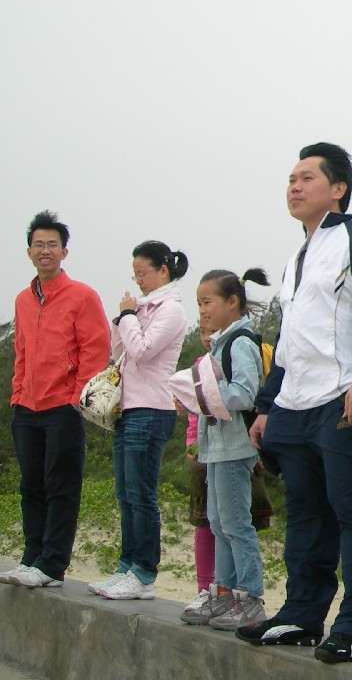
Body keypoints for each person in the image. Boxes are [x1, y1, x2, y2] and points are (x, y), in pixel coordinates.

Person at [236, 142, 352, 665]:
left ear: (338, 189)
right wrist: (266, 406)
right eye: (291, 178)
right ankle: (301, 614)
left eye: (306, 177)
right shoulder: (296, 259)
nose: (294, 186)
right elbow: (289, 339)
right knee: (306, 516)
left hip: (342, 400)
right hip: (293, 405)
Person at [2, 210, 110, 589]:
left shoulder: (82, 296)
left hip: (62, 407)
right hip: (26, 407)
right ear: (29, 252)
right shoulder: (23, 299)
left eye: (52, 244)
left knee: (60, 486)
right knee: (30, 486)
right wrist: (18, 393)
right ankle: (32, 557)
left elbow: (95, 350)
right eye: (38, 244)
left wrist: (75, 399)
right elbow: (21, 351)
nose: (45, 250)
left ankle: (51, 565)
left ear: (64, 252)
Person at [92, 240, 189, 600]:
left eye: (143, 273)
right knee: (125, 493)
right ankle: (126, 567)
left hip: (152, 409)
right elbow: (120, 352)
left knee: (141, 494)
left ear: (163, 271)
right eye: (135, 275)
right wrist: (123, 320)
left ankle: (144, 573)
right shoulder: (144, 308)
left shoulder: (172, 310)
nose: (139, 281)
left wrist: (129, 316)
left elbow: (143, 351)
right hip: (128, 407)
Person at [178, 268, 271, 630]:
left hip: (235, 449)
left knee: (235, 523)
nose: (203, 310)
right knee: (218, 522)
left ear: (232, 302)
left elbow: (245, 393)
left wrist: (202, 395)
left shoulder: (240, 343)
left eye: (208, 302)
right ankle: (224, 592)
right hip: (216, 449)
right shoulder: (220, 342)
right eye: (199, 303)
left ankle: (250, 597)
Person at [180, 328, 217, 621]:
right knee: (202, 523)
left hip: (232, 453)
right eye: (203, 332)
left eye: (213, 331)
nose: (207, 337)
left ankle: (234, 590)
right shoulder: (198, 366)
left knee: (231, 526)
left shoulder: (241, 354)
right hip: (203, 452)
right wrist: (191, 441)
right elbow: (194, 412)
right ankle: (204, 588)